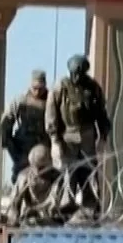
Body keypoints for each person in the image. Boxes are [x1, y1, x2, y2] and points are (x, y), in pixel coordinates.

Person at [46, 55, 112, 222]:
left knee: (89, 172)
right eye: (74, 73)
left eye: (80, 73)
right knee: (67, 174)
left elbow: (101, 113)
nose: (77, 76)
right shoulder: (60, 87)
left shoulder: (93, 88)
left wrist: (103, 136)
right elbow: (51, 114)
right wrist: (54, 140)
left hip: (88, 136)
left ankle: (90, 209)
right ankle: (63, 209)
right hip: (67, 136)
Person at [0, 70, 51, 180]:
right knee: (21, 178)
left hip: (43, 147)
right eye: (35, 88)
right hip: (22, 147)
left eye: (40, 89)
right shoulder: (20, 100)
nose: (37, 92)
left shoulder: (51, 101)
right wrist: (8, 141)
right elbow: (7, 121)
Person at [5, 145, 66, 227]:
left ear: (50, 162)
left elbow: (63, 205)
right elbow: (14, 203)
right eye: (34, 167)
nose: (37, 172)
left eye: (41, 167)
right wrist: (13, 219)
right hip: (29, 221)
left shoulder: (58, 178)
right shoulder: (23, 176)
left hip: (53, 222)